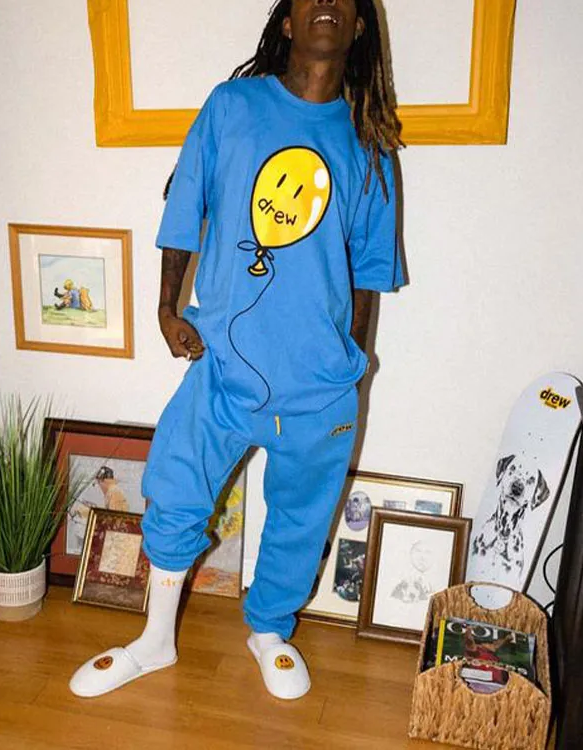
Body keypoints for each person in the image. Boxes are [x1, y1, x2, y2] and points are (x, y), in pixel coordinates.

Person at [70, 0, 404, 701]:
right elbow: (183, 208)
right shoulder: (231, 107)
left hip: (319, 386)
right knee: (176, 486)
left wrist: (353, 370)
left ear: (359, 27)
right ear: (286, 21)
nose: (326, 3)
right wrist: (166, 308)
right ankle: (155, 639)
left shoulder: (368, 144)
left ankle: (270, 631)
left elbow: (368, 275)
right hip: (223, 364)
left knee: (301, 516)